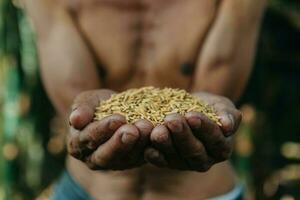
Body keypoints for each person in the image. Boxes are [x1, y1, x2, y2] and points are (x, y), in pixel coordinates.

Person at [21, 0, 266, 199]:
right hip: (86, 191)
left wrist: (205, 113)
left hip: (203, 193)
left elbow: (207, 115)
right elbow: (78, 117)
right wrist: (85, 120)